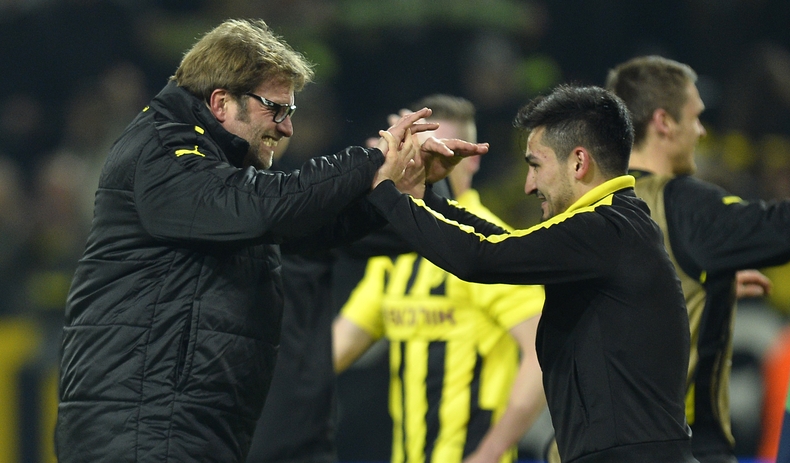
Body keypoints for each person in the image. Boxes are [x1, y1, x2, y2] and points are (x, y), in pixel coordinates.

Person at [54, 18, 488, 463]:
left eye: (291, 112)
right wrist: (374, 158)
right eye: (275, 109)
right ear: (221, 102)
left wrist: (401, 186)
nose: (287, 128)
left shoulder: (221, 176)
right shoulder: (164, 153)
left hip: (185, 424)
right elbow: (268, 205)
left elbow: (312, 225)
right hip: (141, 428)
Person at [367, 84, 698, 463]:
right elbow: (509, 247)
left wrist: (385, 192)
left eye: (536, 165)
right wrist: (425, 197)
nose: (528, 185)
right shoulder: (611, 228)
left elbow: (481, 259)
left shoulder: (603, 231)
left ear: (578, 162)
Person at [603, 55, 790, 463]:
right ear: (663, 123)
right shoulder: (685, 204)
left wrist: (702, 283)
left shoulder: (586, 207)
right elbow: (781, 227)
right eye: (694, 118)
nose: (701, 131)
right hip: (682, 446)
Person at [332, 94, 547, 463]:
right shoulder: (396, 250)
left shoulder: (492, 247)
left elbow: (542, 354)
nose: (426, 158)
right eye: (419, 147)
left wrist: (489, 453)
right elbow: (338, 347)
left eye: (441, 148)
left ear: (471, 157)